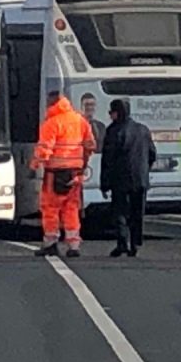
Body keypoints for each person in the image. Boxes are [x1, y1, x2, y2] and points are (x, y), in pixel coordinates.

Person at [30, 89, 97, 258]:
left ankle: (51, 242)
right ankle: (73, 244)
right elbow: (90, 145)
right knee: (71, 208)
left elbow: (45, 148)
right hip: (76, 172)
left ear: (51, 103)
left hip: (55, 173)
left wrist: (35, 164)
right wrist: (83, 163)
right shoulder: (80, 120)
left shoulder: (52, 123)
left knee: (50, 208)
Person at [100, 98, 156, 258]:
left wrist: (105, 183)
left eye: (111, 112)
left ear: (117, 113)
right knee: (137, 212)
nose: (110, 116)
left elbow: (108, 159)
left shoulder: (113, 131)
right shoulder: (143, 129)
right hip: (140, 178)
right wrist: (145, 169)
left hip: (120, 179)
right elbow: (152, 154)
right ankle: (135, 243)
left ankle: (122, 242)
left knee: (120, 212)